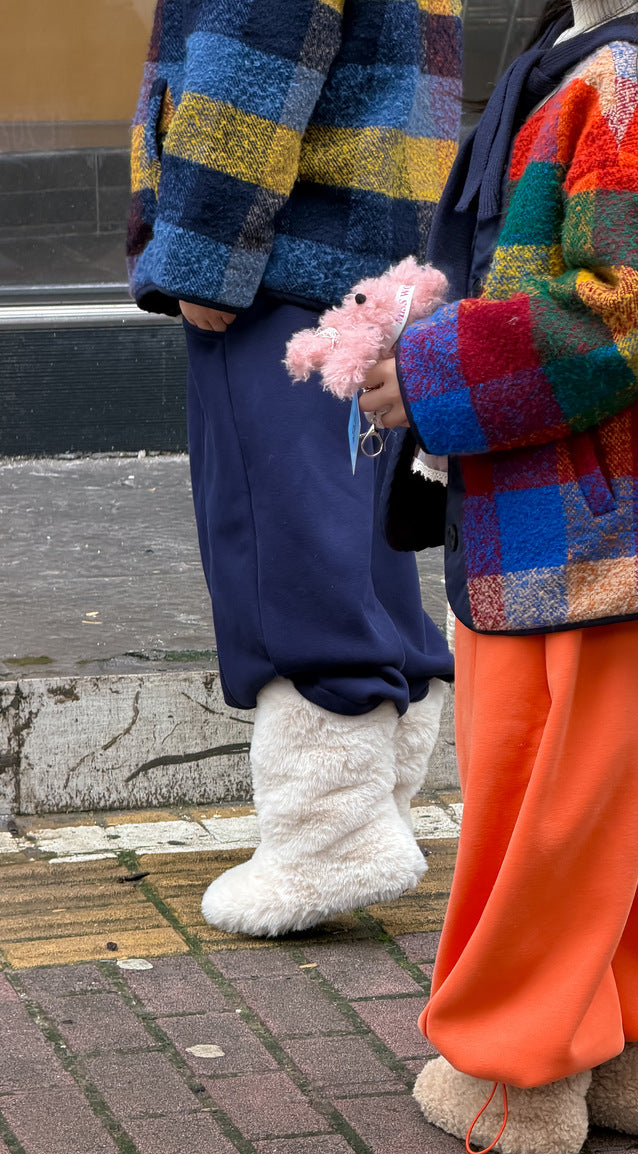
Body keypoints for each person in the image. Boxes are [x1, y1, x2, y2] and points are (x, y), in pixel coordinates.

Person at [359, 0, 638, 1154]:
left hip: (574, 527)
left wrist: (426, 369)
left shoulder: (615, 89)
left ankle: (518, 1072)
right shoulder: (636, 75)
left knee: (541, 800)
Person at [126, 0, 461, 936]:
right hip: (371, 265)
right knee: (360, 552)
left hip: (278, 270)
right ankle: (374, 812)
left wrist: (201, 257)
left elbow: (253, 58)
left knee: (285, 559)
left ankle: (329, 843)